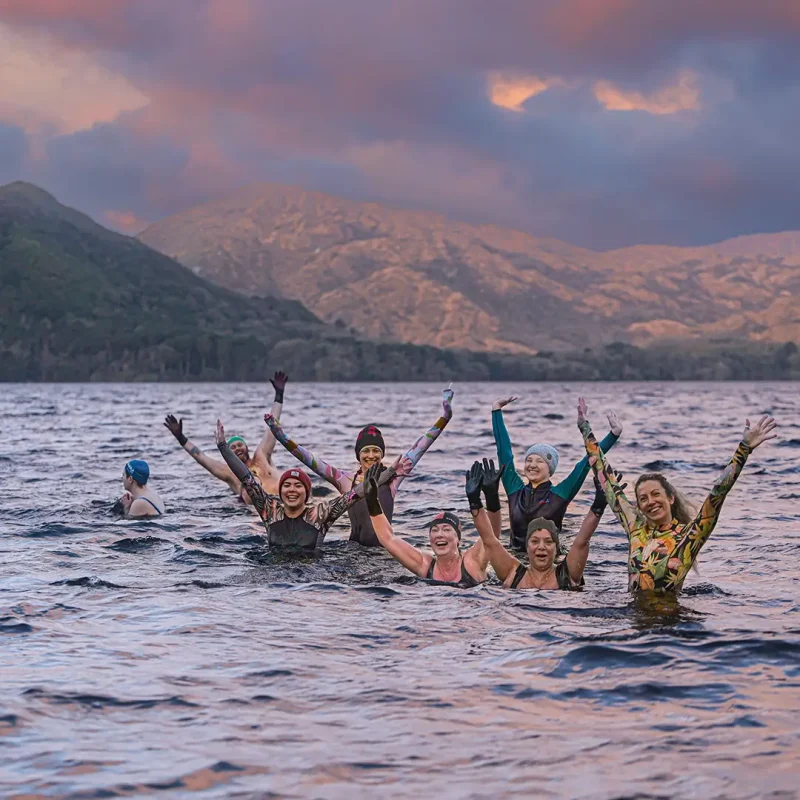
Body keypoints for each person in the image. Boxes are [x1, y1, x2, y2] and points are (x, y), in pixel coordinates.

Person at [578, 396, 778, 594]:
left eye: (656, 494)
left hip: (670, 620)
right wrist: (584, 427)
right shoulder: (635, 528)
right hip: (634, 618)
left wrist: (744, 449)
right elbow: (606, 478)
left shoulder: (690, 535)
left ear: (670, 498)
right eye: (643, 499)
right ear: (638, 506)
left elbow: (718, 493)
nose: (651, 502)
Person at [264, 386, 454, 546]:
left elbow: (422, 446)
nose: (371, 455)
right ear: (358, 454)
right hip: (354, 551)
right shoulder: (344, 480)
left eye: (375, 450)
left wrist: (445, 416)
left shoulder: (394, 476)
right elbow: (308, 459)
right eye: (366, 451)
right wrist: (279, 435)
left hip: (384, 551)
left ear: (382, 454)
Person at [215, 420, 401, 551]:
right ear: (280, 491)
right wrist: (223, 447)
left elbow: (351, 496)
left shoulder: (319, 515)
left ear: (307, 492)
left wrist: (377, 480)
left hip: (310, 578)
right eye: (287, 485)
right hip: (272, 580)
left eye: (298, 486)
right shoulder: (270, 512)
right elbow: (246, 478)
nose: (292, 490)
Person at [492, 395, 622, 550]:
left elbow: (585, 464)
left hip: (550, 560)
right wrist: (496, 410)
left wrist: (613, 435)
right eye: (529, 460)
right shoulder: (515, 490)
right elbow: (504, 452)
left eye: (539, 461)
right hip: (517, 558)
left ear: (550, 469)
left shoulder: (559, 494)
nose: (532, 465)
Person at [469, 456, 610, 590]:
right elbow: (489, 540)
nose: (541, 547)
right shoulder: (513, 574)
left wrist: (598, 506)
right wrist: (476, 501)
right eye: (535, 541)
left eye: (548, 542)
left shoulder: (567, 575)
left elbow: (582, 540)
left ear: (556, 547)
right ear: (527, 545)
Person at [363, 458, 505, 587]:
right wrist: (371, 500)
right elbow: (388, 538)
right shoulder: (424, 565)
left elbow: (491, 538)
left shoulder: (471, 562)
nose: (439, 534)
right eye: (434, 530)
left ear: (458, 540)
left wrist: (491, 496)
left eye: (447, 529)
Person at [164, 371, 288, 502]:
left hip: (286, 500)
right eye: (233, 447)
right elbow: (202, 458)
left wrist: (279, 396)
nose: (237, 448)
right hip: (259, 511)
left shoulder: (262, 456)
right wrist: (181, 438)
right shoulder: (230, 473)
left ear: (246, 448)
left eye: (239, 445)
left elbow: (272, 428)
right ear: (228, 452)